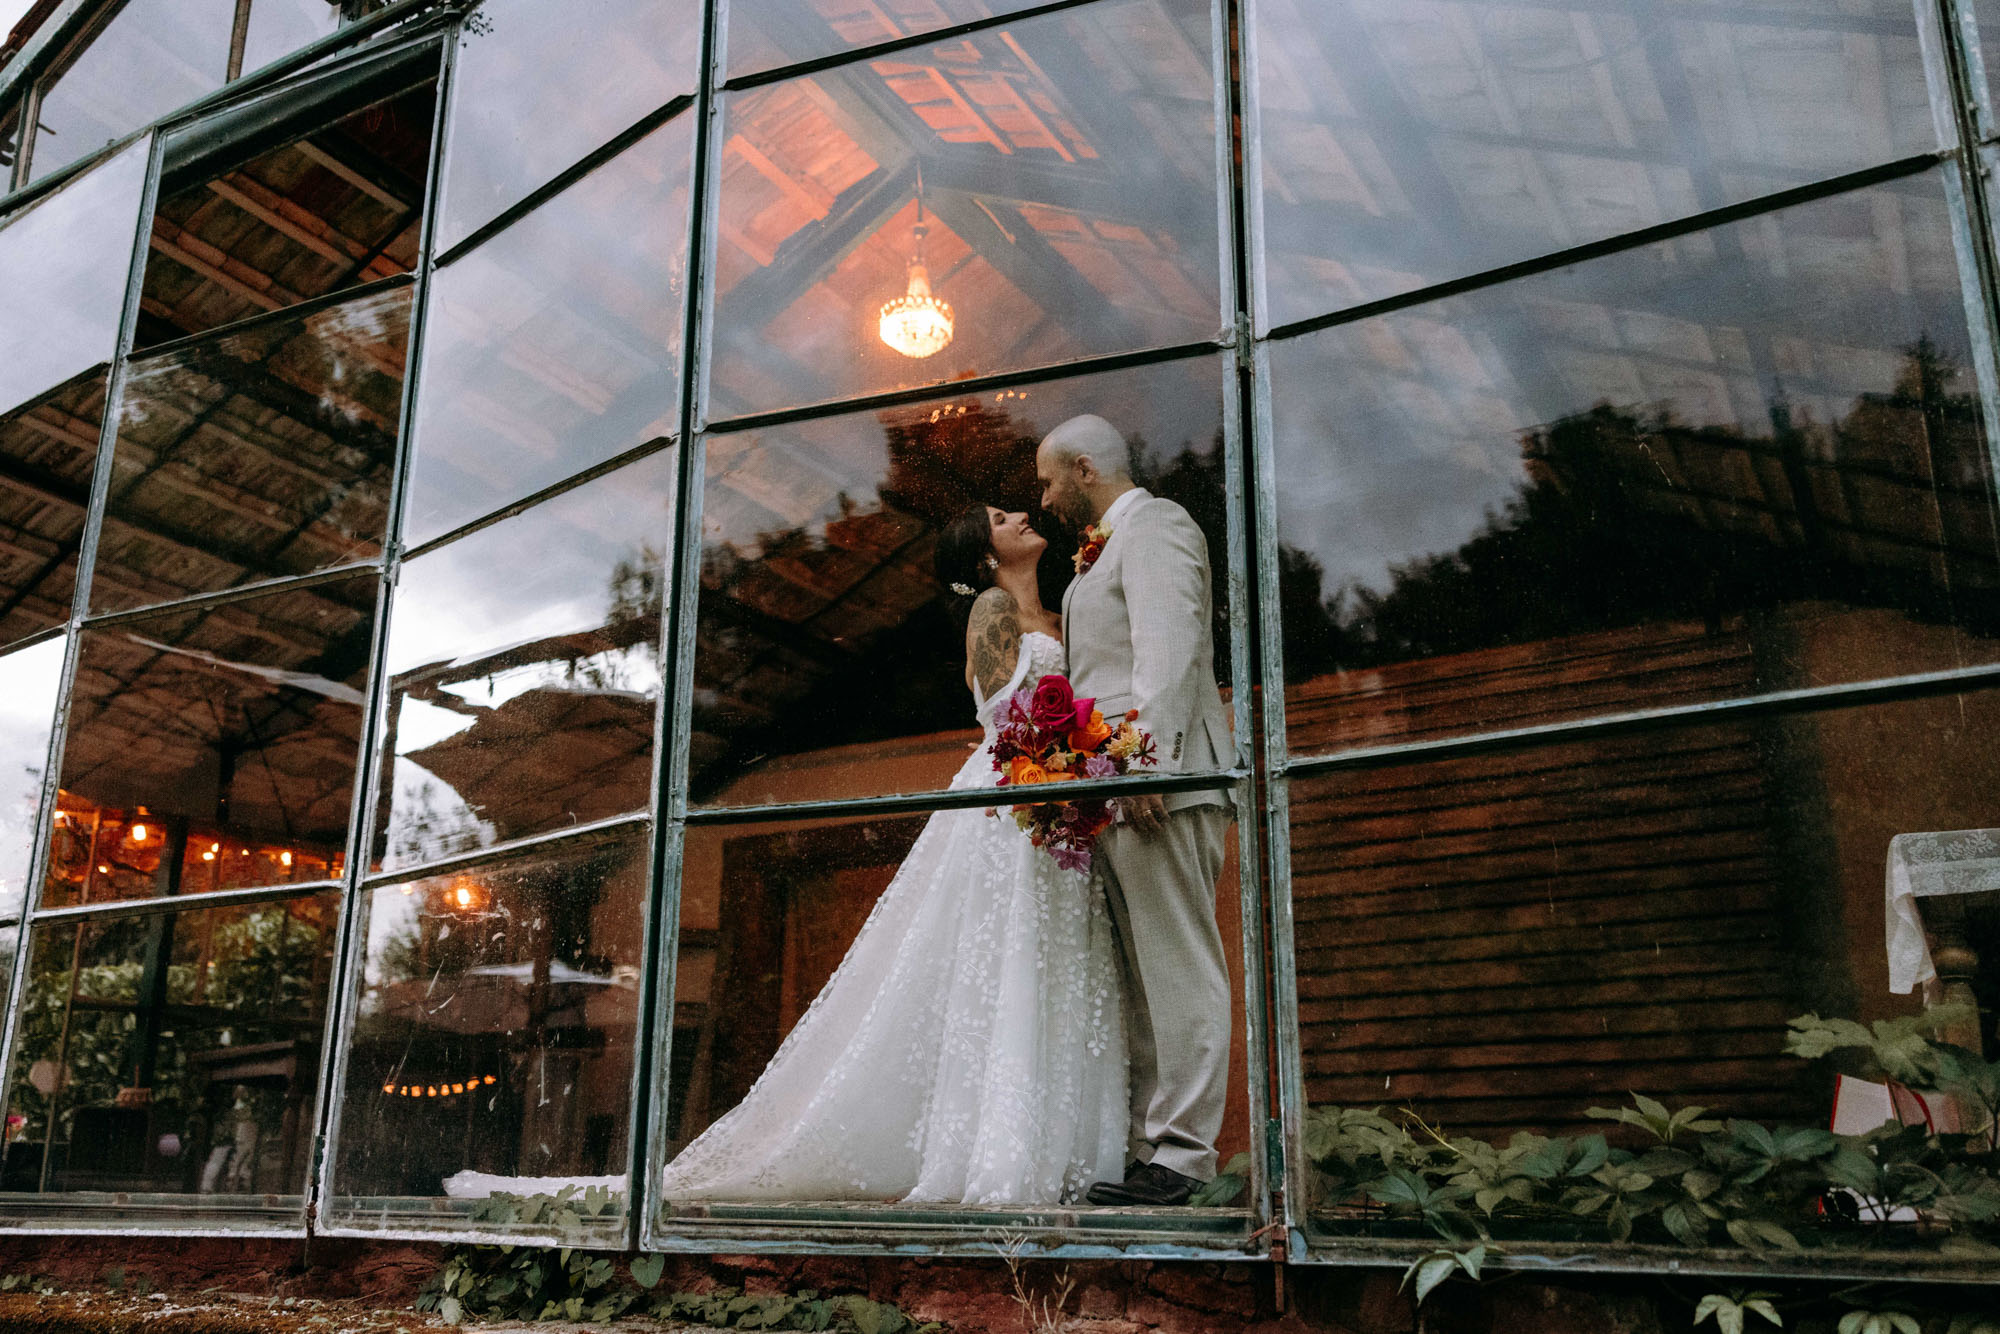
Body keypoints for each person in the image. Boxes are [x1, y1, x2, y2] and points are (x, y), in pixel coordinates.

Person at [658, 504, 1128, 1205]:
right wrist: (1068, 763)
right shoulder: (993, 608)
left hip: (1062, 804)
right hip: (1014, 799)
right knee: (1008, 958)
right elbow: (1002, 712)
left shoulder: (1065, 616)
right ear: (981, 557)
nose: (1022, 515)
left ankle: (1059, 1153)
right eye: (1001, 518)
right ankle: (995, 1156)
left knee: (1058, 963)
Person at [1037, 413, 1234, 1207]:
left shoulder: (1156, 526)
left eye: (1048, 480)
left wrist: (1144, 760)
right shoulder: (1099, 553)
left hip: (1158, 783)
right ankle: (1158, 1153)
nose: (1044, 498)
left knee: (1179, 966)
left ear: (1085, 468)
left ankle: (1185, 1159)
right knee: (1147, 980)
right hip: (1114, 788)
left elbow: (1172, 645)